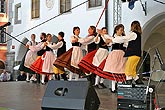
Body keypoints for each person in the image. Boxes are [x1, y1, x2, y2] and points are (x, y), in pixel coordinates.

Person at [94, 24, 127, 92]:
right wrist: (101, 34)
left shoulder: (122, 38)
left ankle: (119, 86)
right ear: (116, 30)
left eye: (122, 30)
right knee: (114, 70)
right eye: (120, 30)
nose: (122, 31)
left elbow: (125, 44)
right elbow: (107, 39)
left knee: (120, 70)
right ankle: (113, 88)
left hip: (121, 54)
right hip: (114, 54)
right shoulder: (113, 37)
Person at [111, 21, 144, 85]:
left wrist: (113, 40)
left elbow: (125, 38)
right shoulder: (138, 34)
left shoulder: (134, 34)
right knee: (132, 71)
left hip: (133, 55)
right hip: (137, 55)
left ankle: (128, 85)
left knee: (128, 70)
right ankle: (139, 82)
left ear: (133, 26)